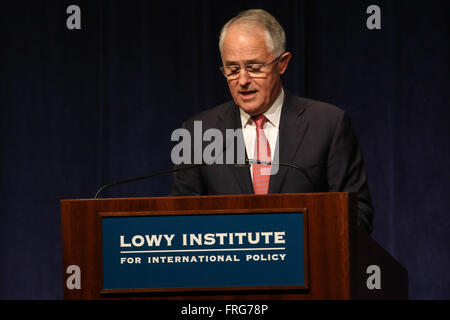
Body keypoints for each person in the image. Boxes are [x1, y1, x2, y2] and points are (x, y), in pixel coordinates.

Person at [170, 9, 374, 233]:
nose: (243, 80)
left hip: (307, 264)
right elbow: (182, 220)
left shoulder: (328, 124)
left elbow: (358, 215)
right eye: (232, 69)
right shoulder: (198, 133)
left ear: (282, 63)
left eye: (254, 68)